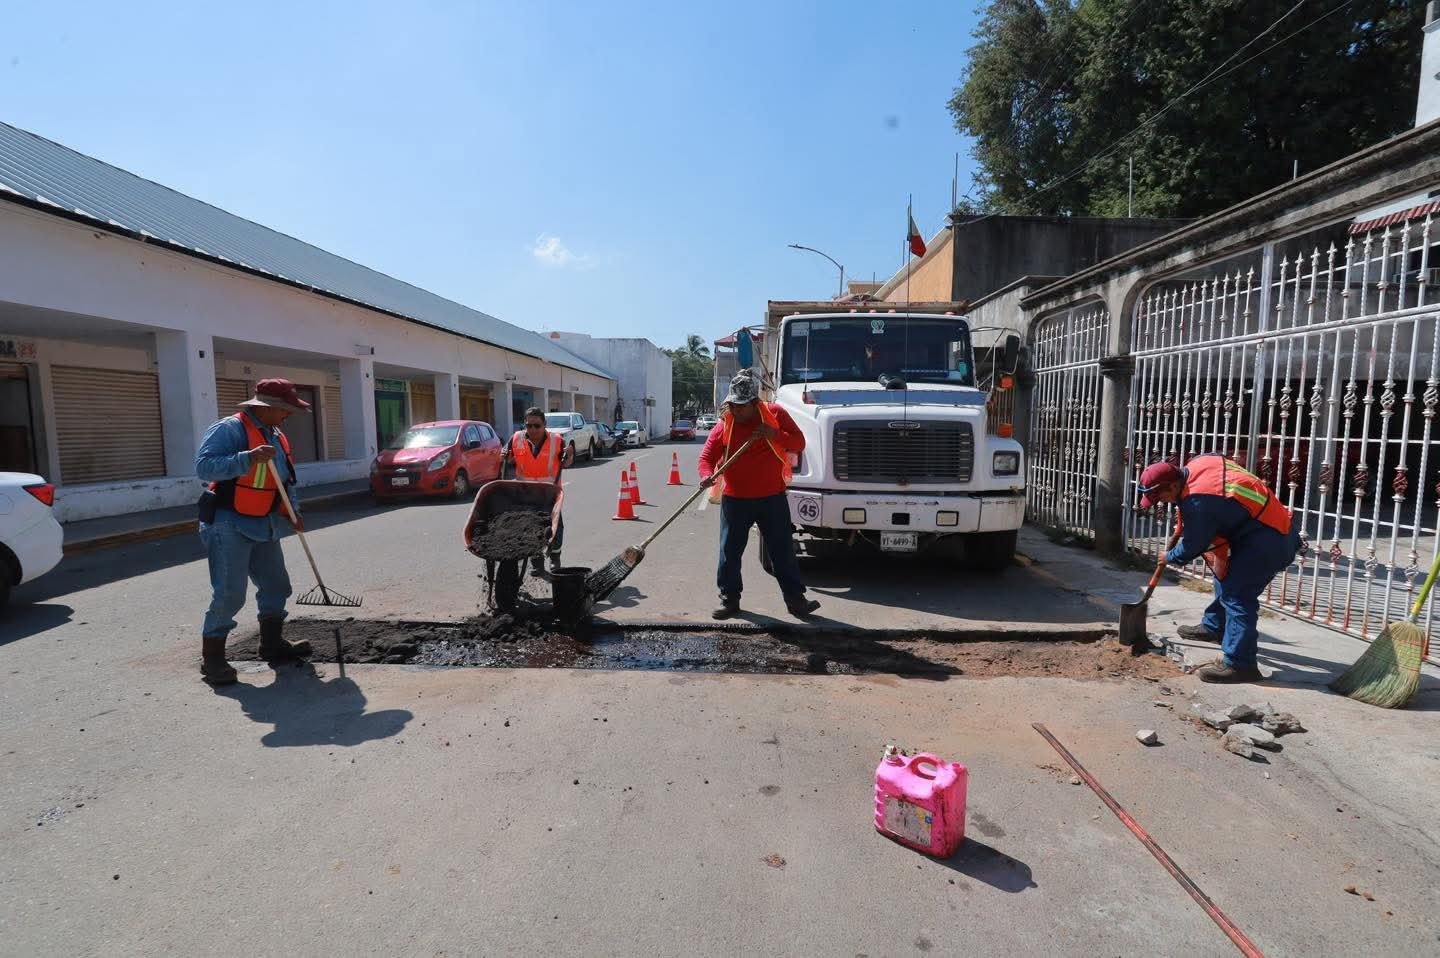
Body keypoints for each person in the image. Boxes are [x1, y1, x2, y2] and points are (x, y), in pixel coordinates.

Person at [1137, 455, 1302, 684]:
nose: (1161, 502)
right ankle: (1214, 627)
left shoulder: (1199, 502)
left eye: (1161, 497)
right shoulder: (1196, 466)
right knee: (1223, 576)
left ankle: (1241, 664)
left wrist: (1170, 556)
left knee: (1237, 595)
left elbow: (1193, 546)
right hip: (1260, 526)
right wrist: (1184, 508)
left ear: (1174, 485)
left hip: (1270, 539)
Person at [194, 379, 313, 685]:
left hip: (265, 522)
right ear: (267, 407)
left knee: (276, 585)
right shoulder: (229, 430)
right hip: (228, 523)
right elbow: (204, 467)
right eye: (285, 409)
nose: (289, 415)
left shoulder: (277, 435)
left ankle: (272, 644)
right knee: (230, 593)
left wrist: (293, 512)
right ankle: (213, 660)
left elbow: (286, 482)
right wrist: (246, 458)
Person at [698, 369, 819, 620]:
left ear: (755, 403)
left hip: (772, 498)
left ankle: (796, 601)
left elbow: (798, 443)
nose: (736, 411)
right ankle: (729, 600)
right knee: (729, 552)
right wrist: (706, 474)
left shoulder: (775, 415)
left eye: (741, 406)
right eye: (732, 405)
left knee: (782, 551)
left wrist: (774, 434)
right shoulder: (725, 424)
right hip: (736, 501)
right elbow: (706, 457)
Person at [503, 406, 573, 574]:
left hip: (549, 493)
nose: (533, 429)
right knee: (529, 528)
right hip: (525, 493)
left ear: (545, 425)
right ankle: (536, 561)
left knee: (555, 528)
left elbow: (567, 463)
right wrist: (505, 456)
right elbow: (508, 458)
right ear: (524, 425)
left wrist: (569, 455)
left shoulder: (557, 441)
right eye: (529, 425)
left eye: (537, 426)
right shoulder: (516, 438)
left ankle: (555, 558)